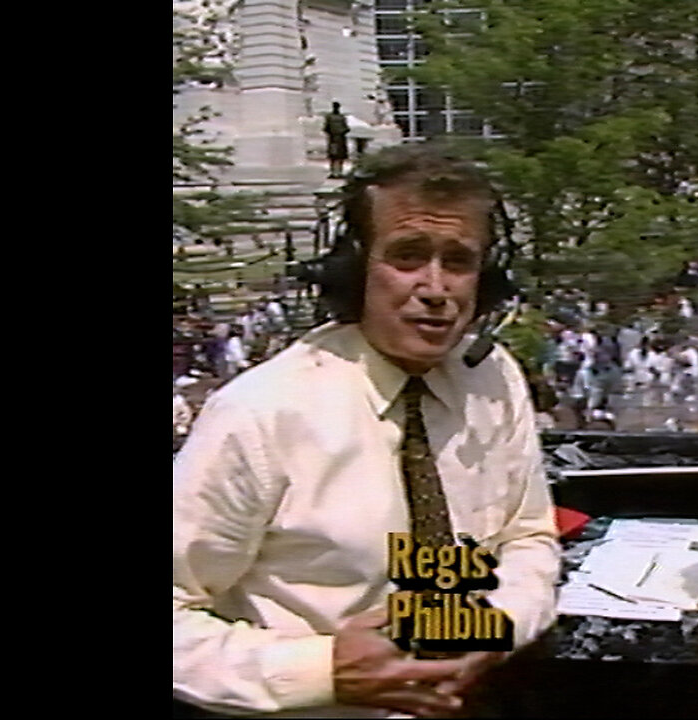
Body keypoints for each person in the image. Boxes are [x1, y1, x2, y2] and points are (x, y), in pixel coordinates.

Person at [174, 145, 561, 717]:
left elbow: (529, 537)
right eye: (407, 256)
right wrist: (322, 670)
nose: (436, 288)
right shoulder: (260, 414)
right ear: (356, 271)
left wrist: (498, 623)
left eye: (457, 261)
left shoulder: (493, 377)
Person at [324, 101, 351, 178]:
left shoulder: (329, 117)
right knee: (339, 156)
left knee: (334, 156)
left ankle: (333, 172)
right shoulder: (342, 117)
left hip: (333, 139)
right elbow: (347, 128)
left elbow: (326, 128)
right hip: (340, 139)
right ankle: (338, 171)